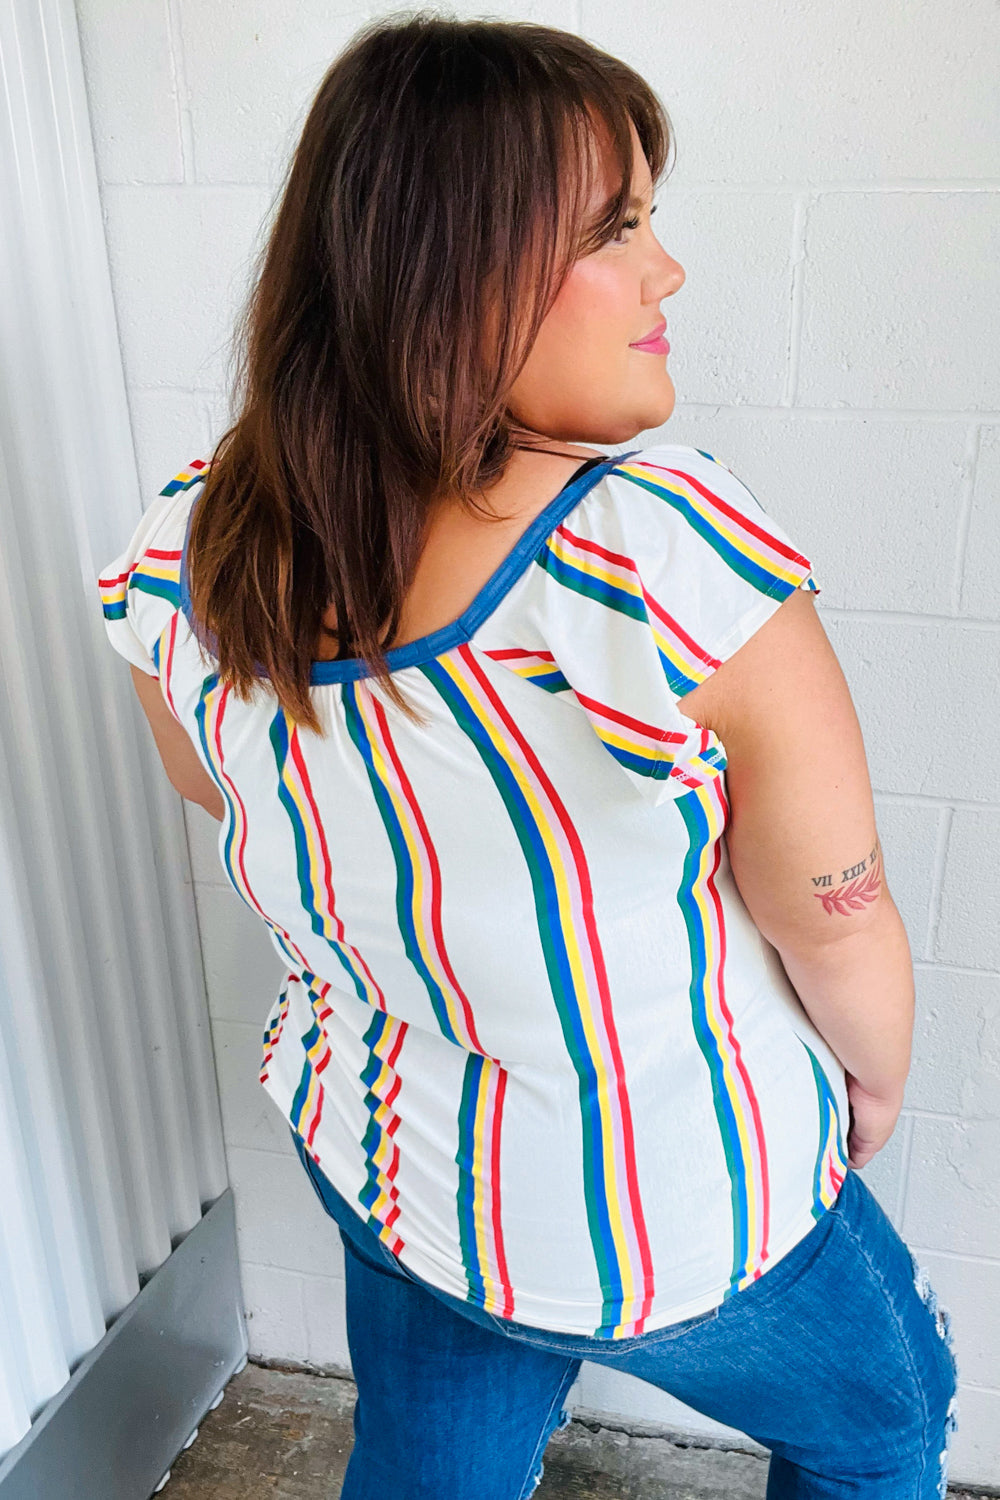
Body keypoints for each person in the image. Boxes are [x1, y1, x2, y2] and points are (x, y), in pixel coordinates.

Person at [96, 13, 958, 1499]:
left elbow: (205, 777)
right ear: (450, 270)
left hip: (390, 1157)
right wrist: (872, 1086)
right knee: (885, 1423)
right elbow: (835, 915)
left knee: (433, 1469)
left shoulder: (191, 538)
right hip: (666, 1211)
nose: (667, 272)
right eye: (616, 230)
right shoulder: (658, 559)